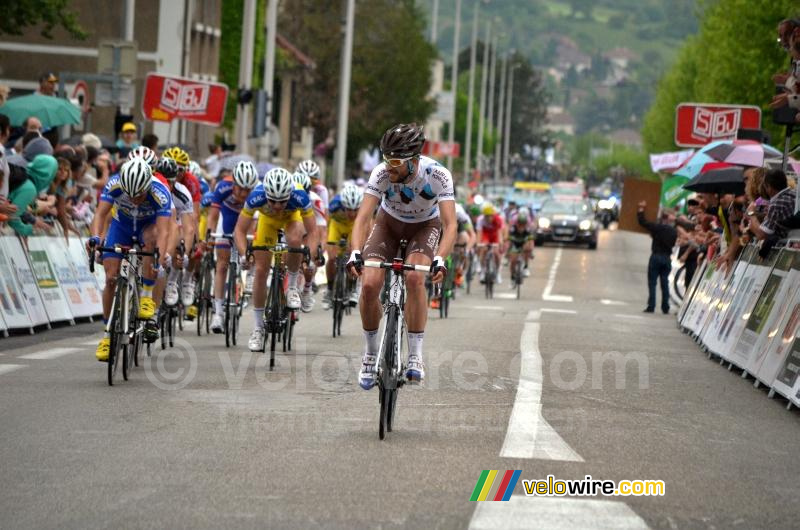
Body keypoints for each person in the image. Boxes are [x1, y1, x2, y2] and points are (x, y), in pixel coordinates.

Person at [347, 123, 456, 389]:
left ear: (414, 160)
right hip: (388, 224)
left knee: (415, 278)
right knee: (370, 284)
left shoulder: (438, 175)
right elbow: (363, 218)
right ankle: (371, 354)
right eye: (386, 159)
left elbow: (450, 224)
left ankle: (415, 356)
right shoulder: (381, 174)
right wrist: (355, 252)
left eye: (395, 161)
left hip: (424, 227)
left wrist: (440, 258)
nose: (389, 166)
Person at [87, 158, 172, 360]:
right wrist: (96, 238)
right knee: (110, 277)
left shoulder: (160, 192)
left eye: (140, 195)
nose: (134, 200)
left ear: (147, 186)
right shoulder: (115, 184)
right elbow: (99, 215)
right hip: (121, 227)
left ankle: (146, 296)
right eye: (130, 195)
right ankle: (108, 336)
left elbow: (163, 231)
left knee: (152, 243)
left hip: (147, 227)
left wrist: (160, 255)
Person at [234, 167, 318, 351]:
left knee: (295, 239)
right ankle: (258, 328)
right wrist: (244, 254)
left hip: (292, 220)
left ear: (290, 194)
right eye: (272, 201)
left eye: (282, 201)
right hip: (267, 223)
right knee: (261, 270)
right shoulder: (256, 195)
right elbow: (239, 231)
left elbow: (312, 232)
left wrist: (310, 257)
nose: (278, 206)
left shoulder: (300, 195)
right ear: (266, 194)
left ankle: (293, 287)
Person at [206, 160, 260, 334]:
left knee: (255, 247)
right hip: (227, 219)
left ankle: (250, 272)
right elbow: (213, 217)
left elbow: (254, 224)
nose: (244, 193)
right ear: (234, 183)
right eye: (240, 188)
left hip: (248, 221)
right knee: (222, 264)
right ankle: (218, 313)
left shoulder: (258, 191)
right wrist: (209, 235)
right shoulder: (223, 187)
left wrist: (249, 251)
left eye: (248, 189)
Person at [323, 184, 364, 309]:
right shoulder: (335, 205)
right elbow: (326, 224)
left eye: (355, 210)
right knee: (331, 258)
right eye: (348, 210)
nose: (352, 213)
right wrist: (327, 243)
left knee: (353, 254)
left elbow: (367, 227)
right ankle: (330, 289)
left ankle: (352, 288)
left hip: (354, 227)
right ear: (343, 206)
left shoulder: (364, 207)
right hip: (337, 226)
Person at [637, 200, 677, 314]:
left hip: (656, 256)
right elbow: (673, 244)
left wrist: (641, 209)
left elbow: (642, 222)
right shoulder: (674, 231)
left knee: (652, 282)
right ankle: (665, 307)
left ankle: (651, 306)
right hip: (667, 258)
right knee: (664, 283)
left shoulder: (657, 227)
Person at [746, 169, 797, 242]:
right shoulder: (794, 194)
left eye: (765, 187)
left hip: (787, 248)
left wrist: (751, 214)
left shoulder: (776, 204)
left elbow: (761, 234)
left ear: (769, 187)